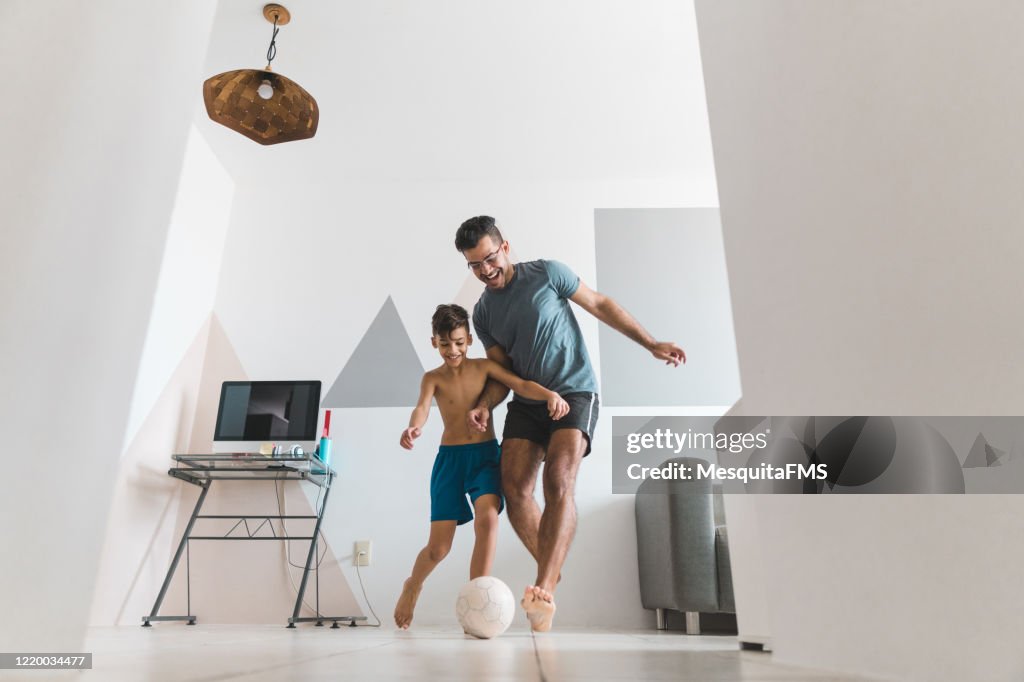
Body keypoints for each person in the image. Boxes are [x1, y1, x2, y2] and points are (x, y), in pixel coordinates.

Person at [455, 215, 686, 632]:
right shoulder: (484, 312)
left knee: (558, 480)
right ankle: (552, 566)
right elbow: (503, 375)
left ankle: (544, 588)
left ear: (505, 246)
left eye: (489, 258)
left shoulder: (547, 273)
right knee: (514, 487)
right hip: (529, 402)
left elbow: (600, 304)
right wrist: (485, 404)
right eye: (475, 265)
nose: (485, 271)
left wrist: (651, 343)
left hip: (576, 391)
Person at [393, 304, 570, 630]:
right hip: (450, 460)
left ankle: (477, 602)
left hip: (485, 457)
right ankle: (413, 585)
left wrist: (549, 394)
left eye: (459, 342)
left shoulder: (484, 367)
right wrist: (413, 427)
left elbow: (519, 384)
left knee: (488, 518)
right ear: (434, 342)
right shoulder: (432, 378)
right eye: (445, 344)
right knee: (438, 548)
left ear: (469, 340)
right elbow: (421, 408)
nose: (453, 350)